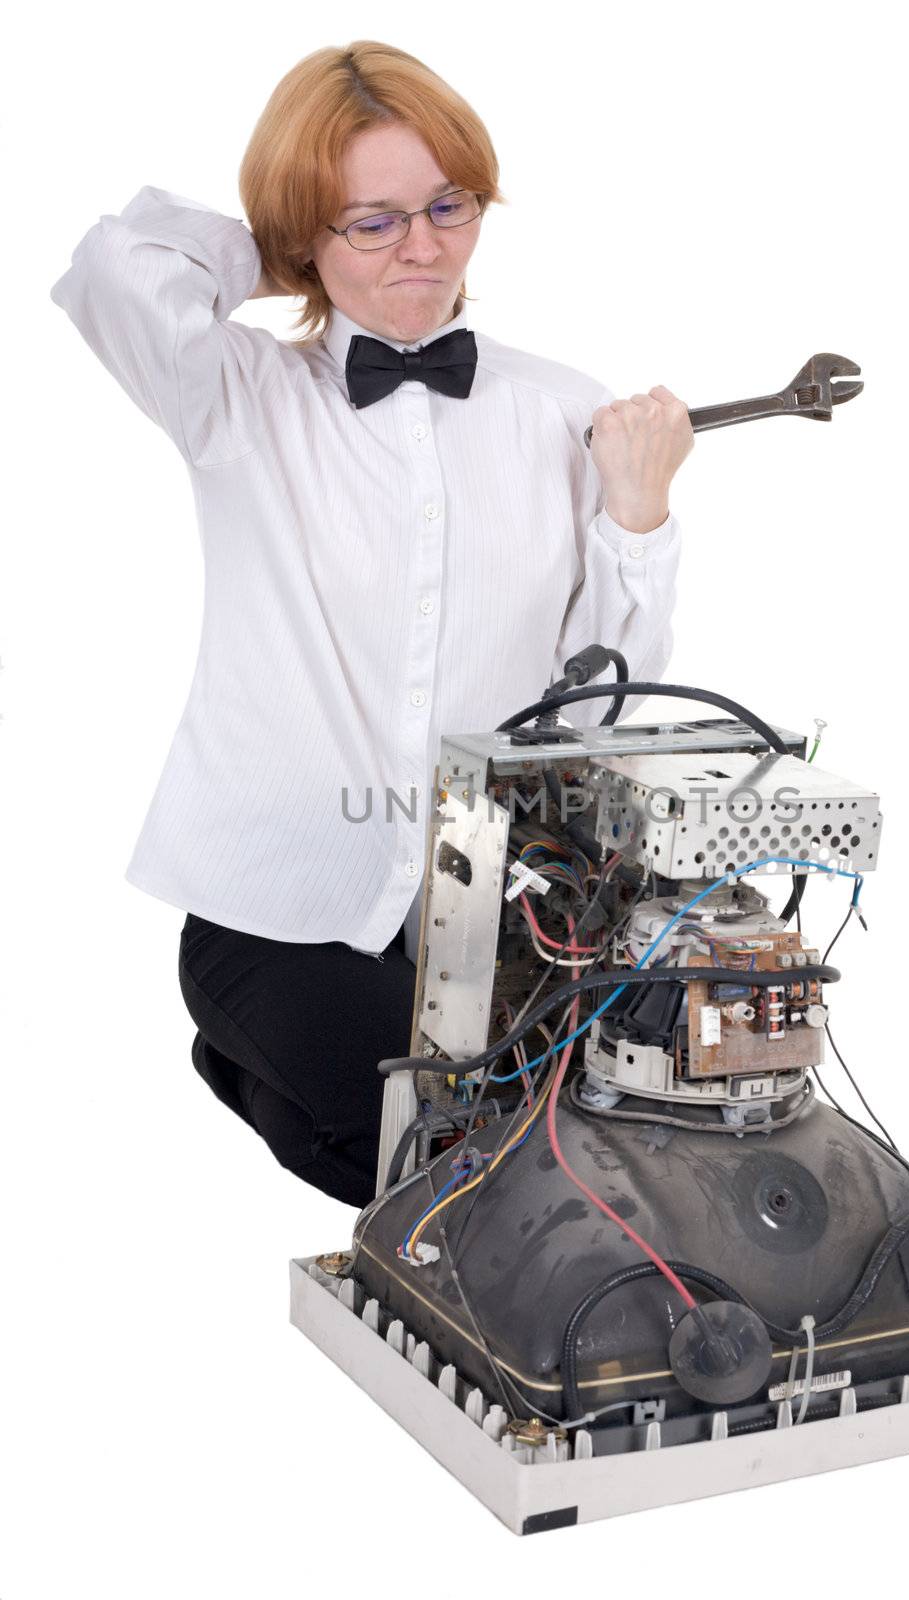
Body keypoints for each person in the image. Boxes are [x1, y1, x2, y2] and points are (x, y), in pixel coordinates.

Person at [48, 40, 693, 1208]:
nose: (423, 248)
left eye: (447, 206)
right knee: (474, 1171)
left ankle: (262, 1082)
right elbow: (114, 267)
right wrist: (277, 232)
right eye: (373, 221)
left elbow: (599, 716)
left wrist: (636, 515)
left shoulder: (558, 410)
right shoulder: (233, 394)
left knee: (543, 1141)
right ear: (311, 235)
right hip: (272, 905)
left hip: (479, 919)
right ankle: (261, 1047)